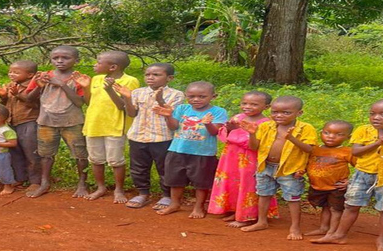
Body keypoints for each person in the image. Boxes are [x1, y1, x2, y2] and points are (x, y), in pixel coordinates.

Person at [313, 98, 383, 251]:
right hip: (363, 174)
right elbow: (356, 152)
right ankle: (339, 235)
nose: (376, 118)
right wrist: (378, 143)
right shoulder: (364, 130)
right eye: (372, 113)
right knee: (351, 205)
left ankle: (382, 240)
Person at [240, 95, 317, 240]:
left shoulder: (306, 128)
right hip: (266, 166)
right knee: (263, 194)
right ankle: (261, 221)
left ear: (299, 113)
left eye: (286, 112)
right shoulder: (265, 126)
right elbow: (254, 147)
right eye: (275, 112)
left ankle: (295, 227)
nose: (279, 115)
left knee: (292, 198)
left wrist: (292, 139)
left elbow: (309, 149)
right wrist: (251, 135)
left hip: (290, 169)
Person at [114, 63, 185, 210]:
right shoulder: (138, 92)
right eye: (147, 75)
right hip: (138, 136)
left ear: (169, 78)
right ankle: (143, 193)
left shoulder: (176, 94)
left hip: (163, 137)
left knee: (164, 167)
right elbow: (132, 113)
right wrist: (127, 97)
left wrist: (160, 100)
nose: (150, 77)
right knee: (138, 167)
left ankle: (166, 195)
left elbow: (172, 114)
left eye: (156, 75)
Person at [73, 51, 140, 203]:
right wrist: (86, 87)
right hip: (94, 124)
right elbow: (89, 101)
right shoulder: (96, 79)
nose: (95, 65)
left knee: (116, 160)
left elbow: (123, 106)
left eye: (98, 62)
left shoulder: (130, 81)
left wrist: (109, 89)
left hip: (115, 126)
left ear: (113, 67)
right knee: (96, 159)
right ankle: (100, 187)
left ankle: (119, 189)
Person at [23, 45, 89, 198]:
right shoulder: (42, 76)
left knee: (80, 154)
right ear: (51, 59)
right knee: (45, 154)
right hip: (46, 121)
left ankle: (82, 183)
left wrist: (61, 84)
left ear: (76, 60)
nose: (60, 61)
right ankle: (44, 183)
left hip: (72, 122)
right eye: (55, 58)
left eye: (65, 58)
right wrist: (39, 87)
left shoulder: (79, 78)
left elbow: (80, 103)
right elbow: (29, 100)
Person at [155, 82, 228, 218]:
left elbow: (214, 132)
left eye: (202, 96)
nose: (196, 99)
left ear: (213, 96)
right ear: (186, 95)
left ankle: (199, 206)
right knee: (175, 180)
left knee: (201, 182)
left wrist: (208, 123)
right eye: (192, 96)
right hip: (177, 150)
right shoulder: (182, 108)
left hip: (203, 153)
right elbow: (173, 127)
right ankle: (174, 203)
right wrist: (168, 116)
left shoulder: (218, 111)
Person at [207, 91, 279, 227]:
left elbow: (256, 144)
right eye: (244, 103)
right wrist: (229, 129)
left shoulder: (267, 124)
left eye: (254, 104)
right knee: (234, 183)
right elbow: (223, 136)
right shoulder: (238, 118)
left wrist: (235, 133)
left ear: (266, 106)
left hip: (250, 160)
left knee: (248, 184)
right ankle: (236, 211)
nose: (248, 106)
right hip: (231, 158)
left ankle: (247, 215)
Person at [287, 120, 354, 237]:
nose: (331, 137)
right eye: (327, 133)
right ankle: (323, 228)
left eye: (339, 134)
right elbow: (308, 163)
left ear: (348, 137)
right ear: (320, 133)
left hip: (336, 187)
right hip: (318, 186)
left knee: (336, 209)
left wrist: (350, 181)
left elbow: (360, 167)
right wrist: (302, 170)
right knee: (325, 207)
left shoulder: (347, 152)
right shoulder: (315, 149)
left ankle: (332, 232)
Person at [0, 60, 41, 192]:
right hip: (11, 122)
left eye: (16, 72)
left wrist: (18, 94)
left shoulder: (35, 86)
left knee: (31, 152)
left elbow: (33, 104)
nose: (11, 74)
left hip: (28, 122)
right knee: (15, 152)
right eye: (10, 71)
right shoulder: (11, 85)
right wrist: (3, 96)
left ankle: (35, 181)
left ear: (30, 75)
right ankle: (20, 177)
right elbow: (6, 104)